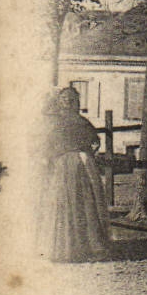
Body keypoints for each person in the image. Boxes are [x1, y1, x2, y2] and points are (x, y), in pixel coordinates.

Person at [39, 87, 111, 262]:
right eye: (65, 99)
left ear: (76, 102)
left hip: (80, 166)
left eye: (71, 100)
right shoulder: (56, 122)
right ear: (60, 102)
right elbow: (47, 145)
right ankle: (68, 248)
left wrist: (86, 154)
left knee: (84, 203)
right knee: (65, 204)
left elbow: (95, 141)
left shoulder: (81, 122)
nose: (68, 103)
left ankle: (86, 247)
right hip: (64, 166)